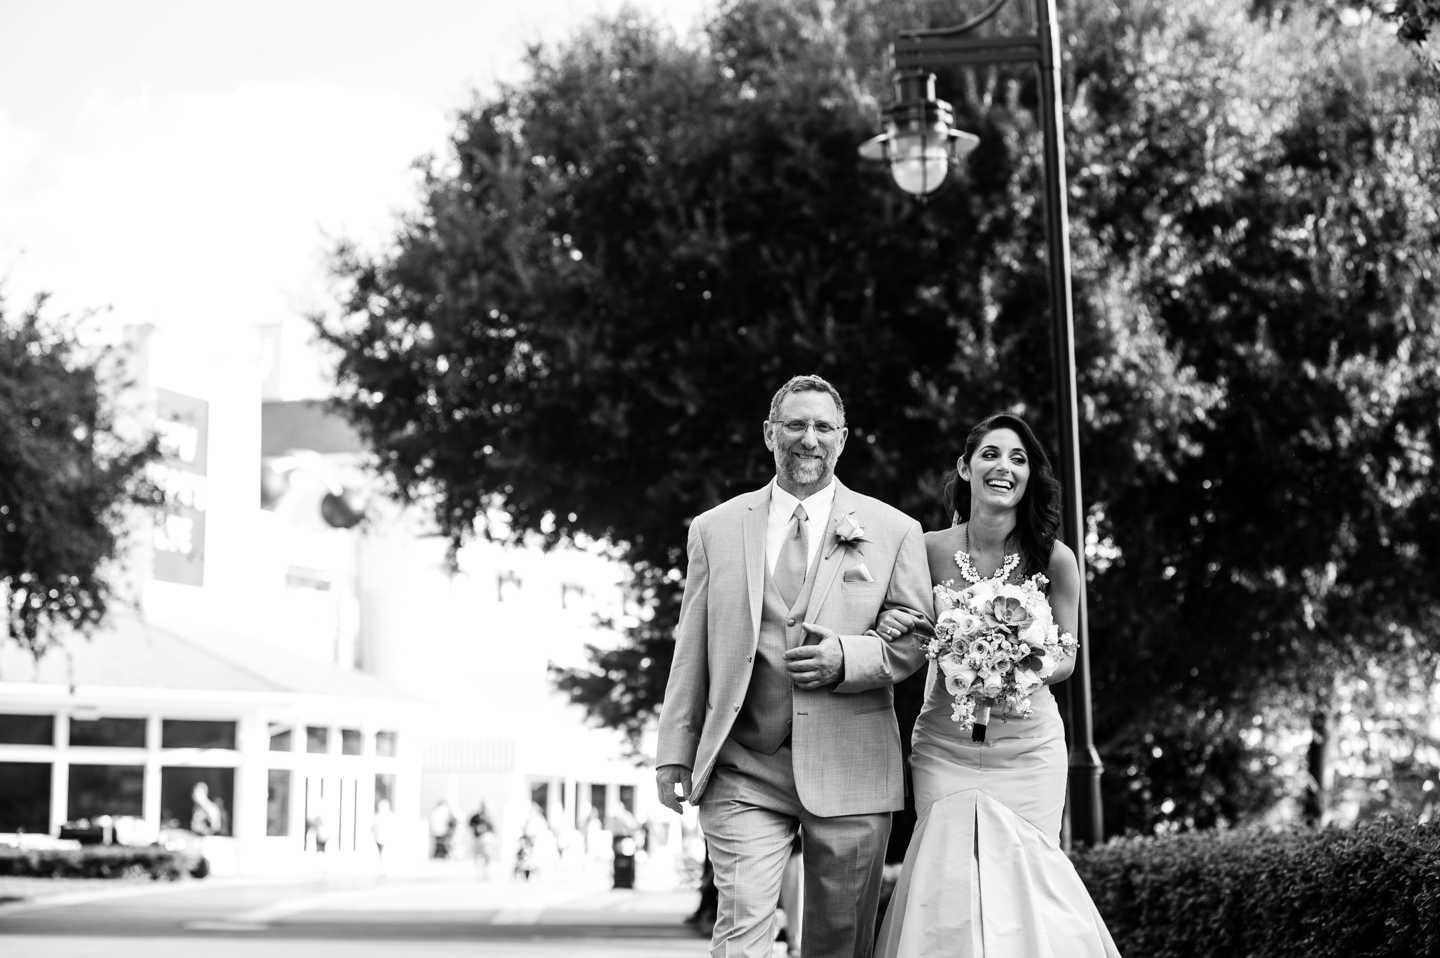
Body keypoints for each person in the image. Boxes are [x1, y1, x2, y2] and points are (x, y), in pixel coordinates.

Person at [655, 374, 932, 958]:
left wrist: (845, 658)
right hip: (743, 765)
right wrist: (674, 752)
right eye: (796, 425)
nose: (810, 439)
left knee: (838, 943)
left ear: (844, 438)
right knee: (742, 929)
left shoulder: (895, 531)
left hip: (851, 764)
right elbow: (693, 647)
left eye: (824, 427)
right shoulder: (714, 529)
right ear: (769, 433)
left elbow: (915, 641)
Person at [873, 412, 1121, 957]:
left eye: (1018, 458)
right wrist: (891, 623)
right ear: (966, 467)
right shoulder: (925, 547)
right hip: (946, 744)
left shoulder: (1056, 560)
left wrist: (1017, 664)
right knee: (947, 880)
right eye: (990, 454)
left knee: (1028, 881)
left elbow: (1067, 657)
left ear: (1030, 476)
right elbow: (908, 628)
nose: (1003, 467)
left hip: (1029, 748)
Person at [468, 803, 496, 879]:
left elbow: (493, 829)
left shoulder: (489, 818)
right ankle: (478, 872)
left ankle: (486, 872)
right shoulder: (476, 817)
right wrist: (477, 828)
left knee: (487, 855)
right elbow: (470, 825)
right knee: (477, 856)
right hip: (478, 838)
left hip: (487, 839)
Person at [373, 799, 398, 863]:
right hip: (378, 838)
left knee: (385, 855)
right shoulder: (377, 816)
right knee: (380, 854)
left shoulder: (390, 816)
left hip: (386, 839)